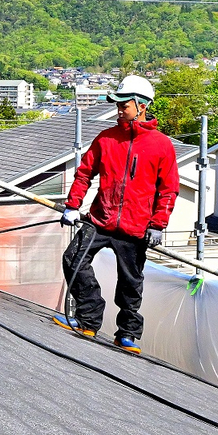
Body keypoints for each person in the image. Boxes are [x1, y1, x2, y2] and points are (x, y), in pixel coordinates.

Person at [53, 75, 179, 354]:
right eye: (118, 104)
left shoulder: (161, 145)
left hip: (136, 228)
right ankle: (88, 316)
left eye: (124, 104)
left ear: (142, 105)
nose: (119, 109)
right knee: (73, 260)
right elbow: (84, 173)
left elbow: (168, 190)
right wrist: (73, 206)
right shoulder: (106, 138)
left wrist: (158, 224)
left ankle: (128, 334)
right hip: (100, 219)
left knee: (130, 283)